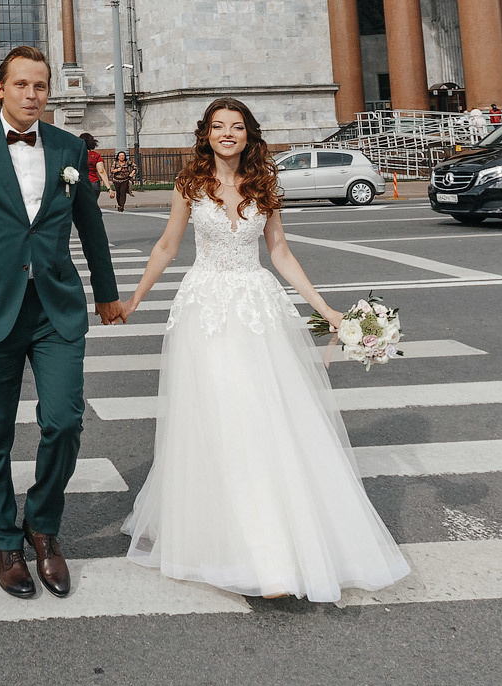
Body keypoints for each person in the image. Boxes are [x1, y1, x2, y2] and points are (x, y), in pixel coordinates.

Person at [118, 96, 409, 603]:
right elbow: (167, 246)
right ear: (205, 133)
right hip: (205, 312)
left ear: (249, 134)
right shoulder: (190, 183)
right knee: (221, 421)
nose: (226, 134)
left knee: (262, 419)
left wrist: (329, 311)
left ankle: (272, 554)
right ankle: (237, 545)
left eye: (235, 127)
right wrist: (134, 299)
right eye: (217, 126)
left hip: (256, 309)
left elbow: (280, 253)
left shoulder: (264, 183)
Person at [0, 45, 124, 601]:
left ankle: (43, 525)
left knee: (63, 420)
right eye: (22, 85)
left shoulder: (67, 147)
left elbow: (91, 226)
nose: (33, 95)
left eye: (41, 86)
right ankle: (5, 541)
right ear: (0, 88)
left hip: (56, 306)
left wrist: (107, 295)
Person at [80, 133, 105, 207]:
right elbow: (101, 171)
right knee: (92, 205)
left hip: (81, 182)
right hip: (94, 183)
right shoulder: (95, 155)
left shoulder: (77, 154)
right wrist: (109, 188)